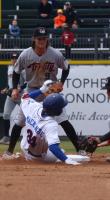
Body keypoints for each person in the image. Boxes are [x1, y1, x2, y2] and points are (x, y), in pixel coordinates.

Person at [2, 27, 81, 159]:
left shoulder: (55, 54)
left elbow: (66, 68)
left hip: (51, 91)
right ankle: (9, 152)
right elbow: (16, 72)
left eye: (44, 38)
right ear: (34, 39)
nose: (41, 41)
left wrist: (61, 82)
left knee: (63, 120)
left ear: (47, 39)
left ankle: (80, 150)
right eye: (39, 38)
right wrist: (15, 88)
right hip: (32, 91)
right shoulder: (26, 54)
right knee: (19, 122)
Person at [19, 80, 87, 165]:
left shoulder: (34, 107)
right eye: (61, 107)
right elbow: (53, 147)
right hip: (37, 158)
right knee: (60, 151)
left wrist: (41, 90)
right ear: (57, 111)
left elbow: (24, 97)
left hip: (24, 148)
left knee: (45, 141)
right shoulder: (51, 124)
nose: (62, 109)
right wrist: (67, 160)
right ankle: (60, 158)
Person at [0, 53, 24, 145]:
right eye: (12, 58)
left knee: (28, 115)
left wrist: (19, 89)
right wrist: (6, 88)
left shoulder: (22, 69)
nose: (14, 60)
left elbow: (26, 82)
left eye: (16, 58)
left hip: (21, 95)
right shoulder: (9, 68)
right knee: (6, 114)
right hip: (11, 96)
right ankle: (6, 137)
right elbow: (10, 83)